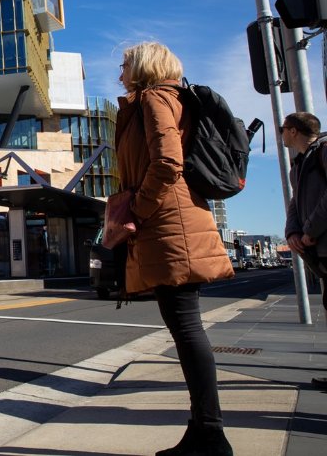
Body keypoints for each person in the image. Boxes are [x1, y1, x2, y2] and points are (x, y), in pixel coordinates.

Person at [114, 42, 234, 456]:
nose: (119, 72)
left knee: (186, 327)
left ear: (144, 66)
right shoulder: (161, 99)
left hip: (169, 223)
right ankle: (204, 432)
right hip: (171, 221)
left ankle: (211, 436)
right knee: (185, 328)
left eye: (125, 64)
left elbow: (167, 161)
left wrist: (139, 211)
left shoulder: (153, 99)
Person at [281, 111, 327, 391]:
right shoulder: (297, 165)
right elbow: (294, 203)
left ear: (294, 131)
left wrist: (310, 229)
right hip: (317, 249)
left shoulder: (323, 152)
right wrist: (292, 232)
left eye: (283, 129)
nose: (282, 134)